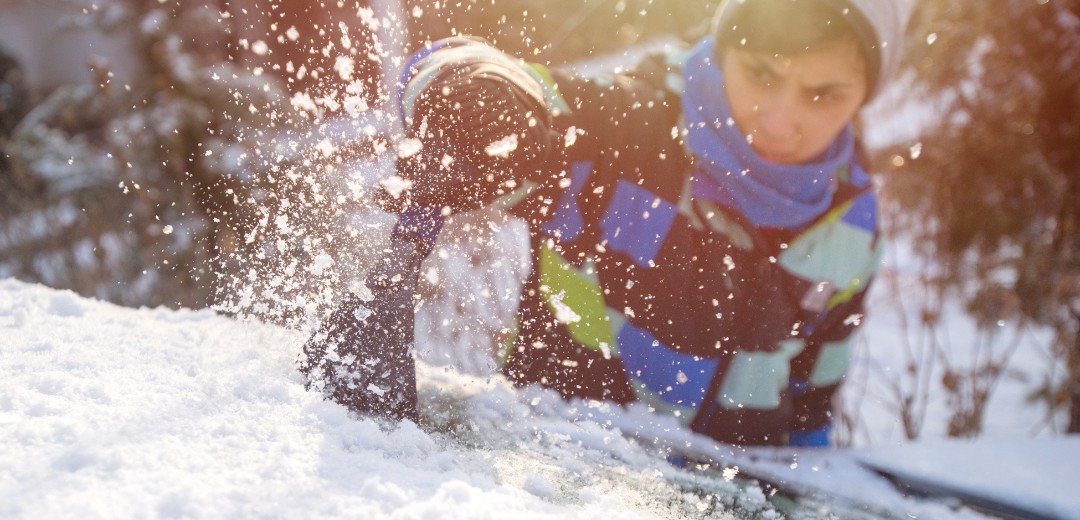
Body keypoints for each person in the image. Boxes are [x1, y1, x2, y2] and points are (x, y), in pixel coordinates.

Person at [300, 0, 914, 447]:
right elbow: (497, 76)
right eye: (762, 75)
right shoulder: (630, 130)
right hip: (555, 474)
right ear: (725, 47)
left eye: (824, 94)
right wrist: (478, 91)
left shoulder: (854, 222)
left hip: (731, 497)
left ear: (867, 93)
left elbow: (811, 411)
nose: (779, 122)